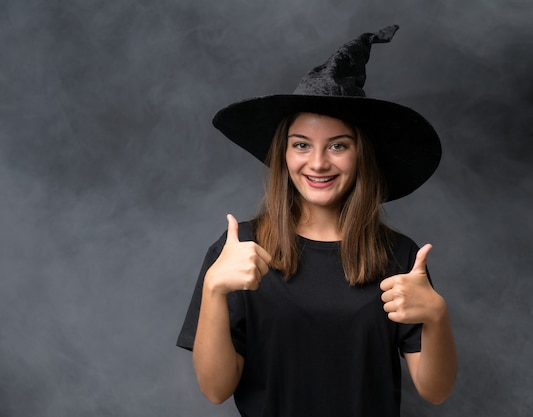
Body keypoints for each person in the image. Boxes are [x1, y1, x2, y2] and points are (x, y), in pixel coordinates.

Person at [177, 25, 457, 417]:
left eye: (338, 145)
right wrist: (213, 291)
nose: (318, 162)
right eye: (302, 145)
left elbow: (436, 390)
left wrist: (436, 315)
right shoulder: (239, 252)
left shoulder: (399, 257)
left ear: (361, 155)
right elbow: (215, 389)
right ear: (284, 154)